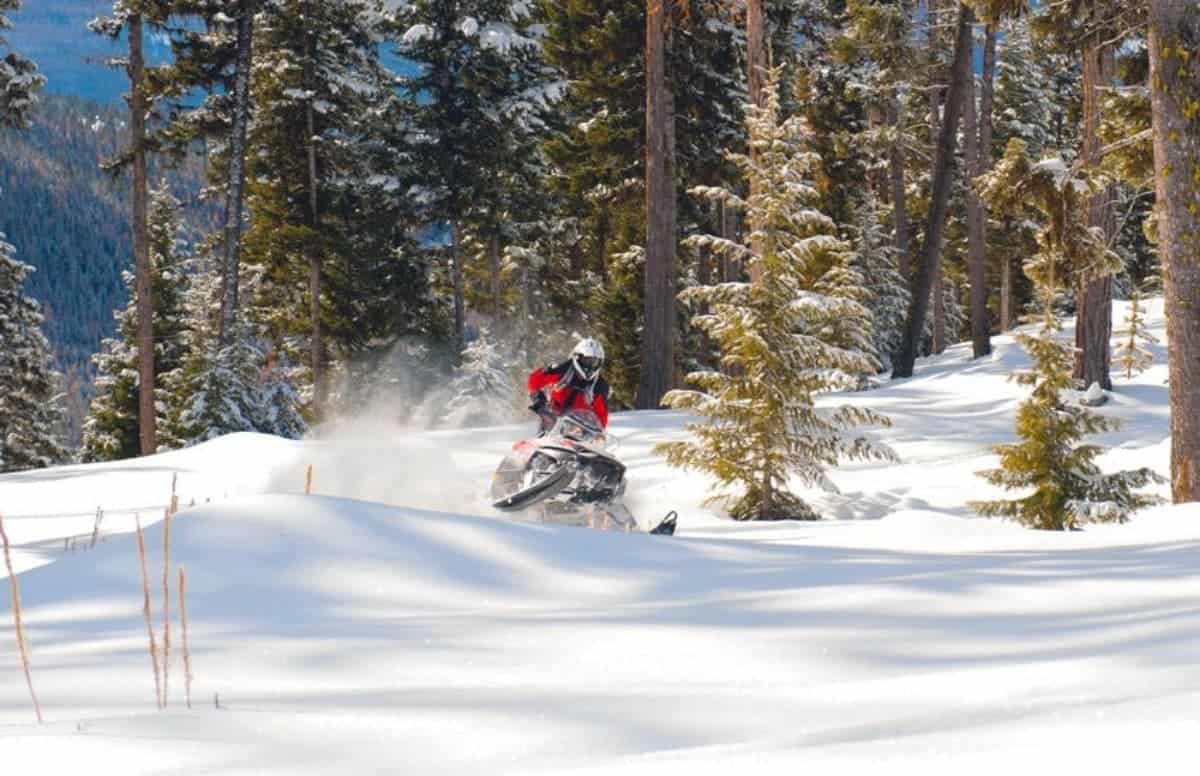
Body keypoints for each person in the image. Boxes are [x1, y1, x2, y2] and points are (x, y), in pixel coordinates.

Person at [527, 338, 610, 431]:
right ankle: (538, 441)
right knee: (546, 422)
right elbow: (535, 379)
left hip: (579, 425)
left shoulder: (600, 385)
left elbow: (601, 416)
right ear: (577, 357)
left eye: (594, 362)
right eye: (587, 361)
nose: (589, 366)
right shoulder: (562, 369)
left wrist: (598, 431)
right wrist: (538, 398)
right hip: (553, 416)